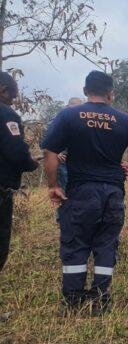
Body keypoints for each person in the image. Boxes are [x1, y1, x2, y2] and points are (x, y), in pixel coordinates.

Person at [42, 71, 128, 313]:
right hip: (112, 193)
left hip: (79, 192)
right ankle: (100, 299)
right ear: (111, 93)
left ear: (86, 91)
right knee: (106, 243)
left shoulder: (68, 116)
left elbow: (50, 153)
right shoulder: (124, 120)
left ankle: (74, 300)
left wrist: (53, 185)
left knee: (76, 244)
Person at [0, 72, 38, 273]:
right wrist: (31, 163)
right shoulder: (7, 115)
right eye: (12, 97)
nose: (13, 102)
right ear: (3, 90)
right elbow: (16, 152)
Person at [55, 97, 85, 193]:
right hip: (63, 161)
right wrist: (56, 153)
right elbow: (45, 140)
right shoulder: (58, 120)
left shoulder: (84, 121)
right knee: (66, 190)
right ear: (67, 106)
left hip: (80, 161)